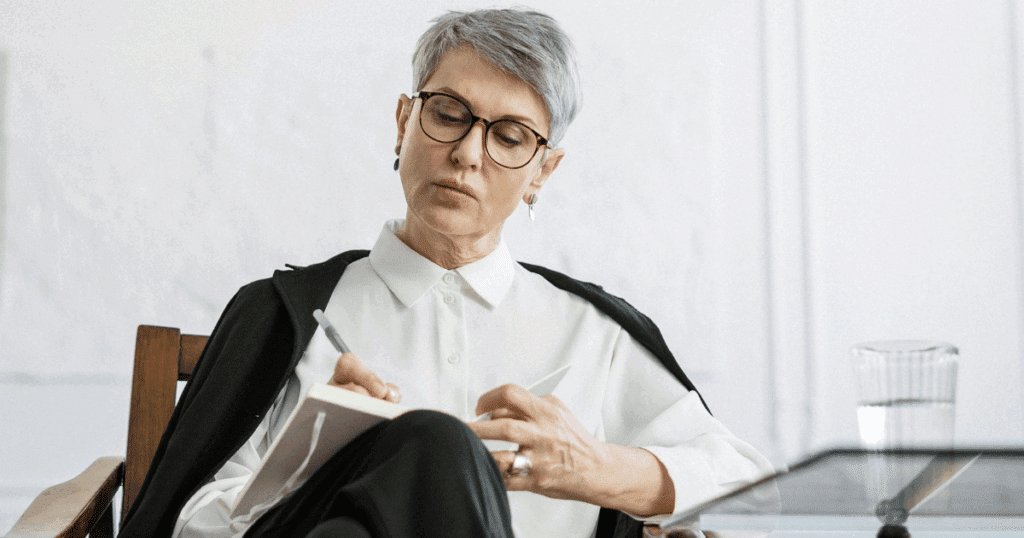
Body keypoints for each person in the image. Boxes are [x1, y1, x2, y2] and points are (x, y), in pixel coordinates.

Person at [117, 8, 773, 538]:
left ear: (543, 172)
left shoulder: (594, 334)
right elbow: (189, 526)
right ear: (405, 122)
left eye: (510, 136)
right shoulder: (283, 318)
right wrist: (311, 464)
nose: (465, 153)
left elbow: (747, 484)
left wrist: (596, 466)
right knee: (433, 446)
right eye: (448, 113)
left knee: (433, 446)